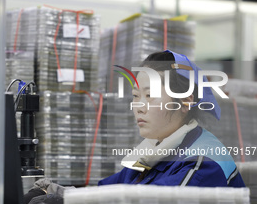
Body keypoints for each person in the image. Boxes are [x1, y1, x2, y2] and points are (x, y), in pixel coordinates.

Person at [99, 50, 245, 187]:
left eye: (150, 96)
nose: (139, 107)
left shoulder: (203, 163)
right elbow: (102, 191)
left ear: (185, 102)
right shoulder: (154, 151)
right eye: (136, 96)